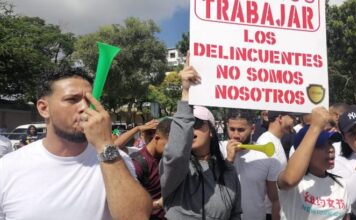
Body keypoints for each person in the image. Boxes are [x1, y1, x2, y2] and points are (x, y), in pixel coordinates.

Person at [0, 67, 152, 219]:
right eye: (72, 100)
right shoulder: (7, 168)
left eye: (90, 100)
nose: (85, 108)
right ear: (44, 108)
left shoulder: (116, 159)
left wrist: (105, 145)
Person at [160, 59, 241, 219]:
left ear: (211, 130)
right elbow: (177, 152)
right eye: (187, 124)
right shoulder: (176, 169)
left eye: (196, 123)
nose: (190, 128)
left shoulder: (228, 171)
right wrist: (185, 94)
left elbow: (235, 214)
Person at [277, 107, 351, 220]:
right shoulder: (294, 184)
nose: (331, 149)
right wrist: (315, 127)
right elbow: (289, 180)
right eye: (321, 145)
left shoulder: (340, 183)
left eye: (330, 143)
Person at [222, 109, 280, 220]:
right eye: (232, 129)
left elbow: (274, 199)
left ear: (252, 129)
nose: (235, 135)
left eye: (241, 130)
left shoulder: (267, 157)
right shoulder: (218, 149)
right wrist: (229, 159)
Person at [130, 118, 172, 220]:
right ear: (157, 138)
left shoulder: (167, 159)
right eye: (170, 146)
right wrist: (157, 204)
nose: (174, 151)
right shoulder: (137, 164)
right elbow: (128, 206)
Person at [256, 111, 295, 218]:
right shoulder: (267, 141)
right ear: (280, 118)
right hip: (271, 212)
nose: (294, 120)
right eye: (291, 116)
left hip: (277, 209)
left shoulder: (275, 140)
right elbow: (269, 182)